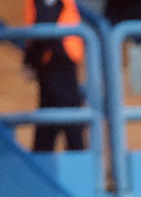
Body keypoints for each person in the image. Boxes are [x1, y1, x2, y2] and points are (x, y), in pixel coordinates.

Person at [23, 0, 87, 152]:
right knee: (53, 127)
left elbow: (45, 22)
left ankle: (80, 171)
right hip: (54, 63)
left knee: (68, 128)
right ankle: (45, 170)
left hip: (57, 63)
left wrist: (30, 61)